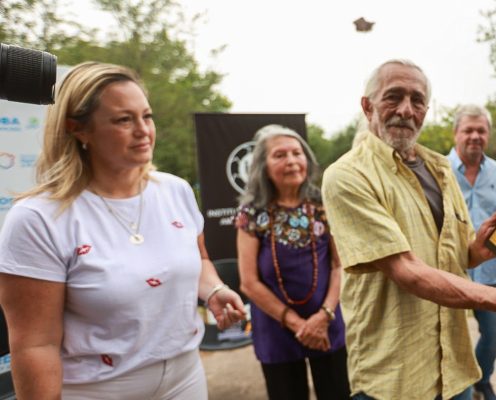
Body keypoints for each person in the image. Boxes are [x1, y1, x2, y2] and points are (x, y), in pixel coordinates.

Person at [0, 61, 246, 399]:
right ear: (78, 129)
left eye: (147, 116)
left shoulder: (176, 190)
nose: (143, 130)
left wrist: (214, 290)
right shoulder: (38, 219)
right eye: (123, 120)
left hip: (186, 376)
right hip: (97, 389)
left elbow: (199, 258)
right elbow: (35, 345)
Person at [320, 59, 496, 400]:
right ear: (367, 106)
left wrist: (480, 248)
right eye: (394, 96)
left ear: (425, 112)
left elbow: (459, 256)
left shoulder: (440, 168)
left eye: (417, 100)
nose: (406, 109)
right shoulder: (347, 176)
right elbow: (406, 271)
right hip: (395, 376)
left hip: (454, 368)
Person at [235, 124, 349, 400]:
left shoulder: (324, 204)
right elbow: (249, 283)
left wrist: (323, 317)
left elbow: (339, 265)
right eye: (280, 155)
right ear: (263, 166)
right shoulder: (252, 214)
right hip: (276, 328)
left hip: (326, 321)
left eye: (297, 153)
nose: (291, 161)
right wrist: (299, 324)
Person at [446, 104, 496, 400]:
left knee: (495, 334)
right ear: (455, 133)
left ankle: (481, 382)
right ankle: (455, 389)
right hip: (450, 271)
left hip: (488, 272)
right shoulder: (438, 171)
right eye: (468, 130)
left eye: (481, 130)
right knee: (447, 339)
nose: (475, 136)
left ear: (488, 134)